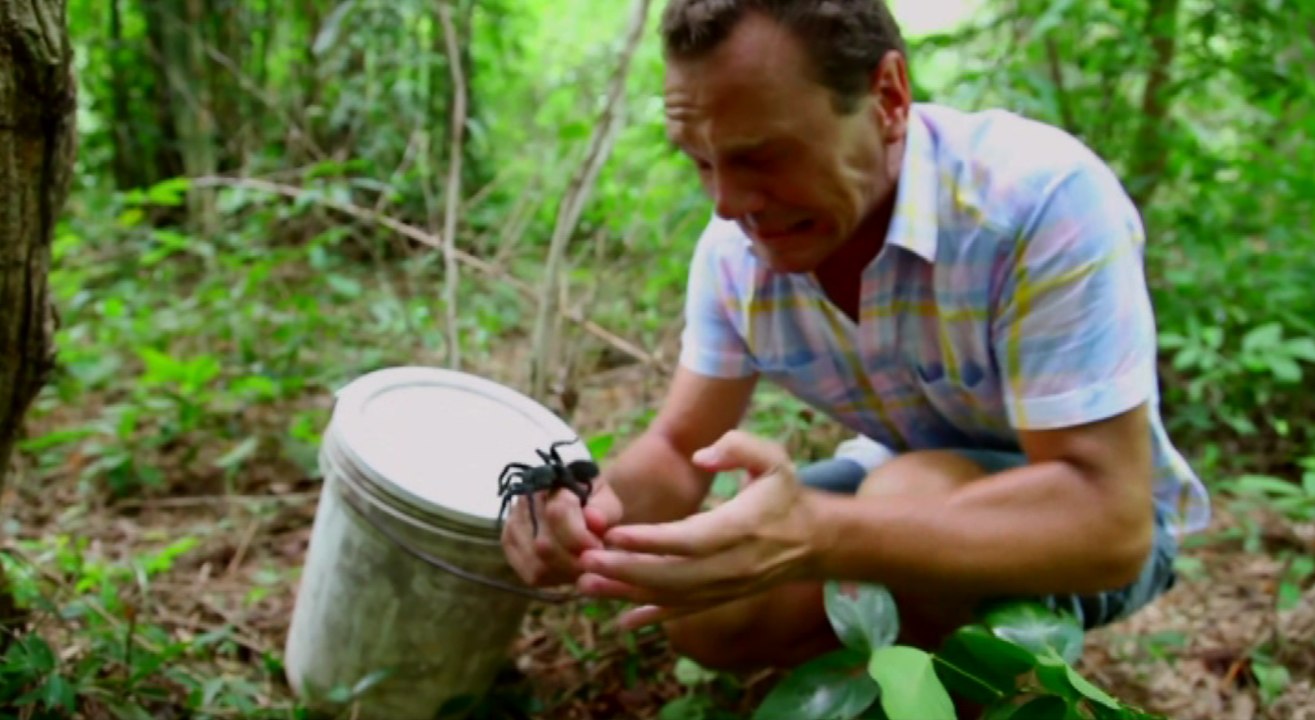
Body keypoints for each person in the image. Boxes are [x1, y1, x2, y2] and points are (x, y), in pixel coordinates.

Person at [499, 0, 1211, 676]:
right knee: (708, 613)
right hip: (899, 491)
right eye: (701, 162)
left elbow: (1110, 527)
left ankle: (982, 692)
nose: (727, 203)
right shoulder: (733, 259)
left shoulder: (1034, 201)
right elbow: (676, 449)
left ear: (889, 98)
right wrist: (584, 509)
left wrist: (817, 534)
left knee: (908, 489)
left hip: (1082, 526)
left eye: (764, 155)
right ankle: (886, 680)